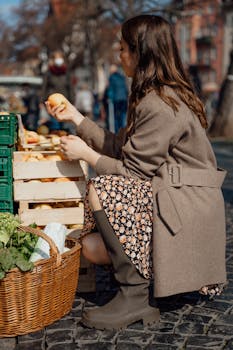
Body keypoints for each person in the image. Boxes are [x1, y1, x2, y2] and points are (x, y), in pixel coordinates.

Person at [46, 15, 227, 330]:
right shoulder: (150, 94)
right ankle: (144, 279)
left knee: (102, 189)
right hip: (169, 199)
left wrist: (86, 154)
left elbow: (131, 173)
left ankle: (136, 296)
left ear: (141, 54)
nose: (119, 55)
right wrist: (76, 117)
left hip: (186, 210)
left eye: (124, 48)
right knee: (90, 246)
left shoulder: (160, 103)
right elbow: (122, 147)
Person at [41, 50, 75, 133]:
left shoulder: (66, 72)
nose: (58, 60)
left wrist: (72, 100)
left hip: (64, 102)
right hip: (52, 103)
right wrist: (42, 101)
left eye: (60, 58)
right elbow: (44, 87)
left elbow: (70, 87)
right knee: (54, 125)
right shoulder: (48, 73)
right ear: (53, 60)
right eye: (56, 58)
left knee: (65, 126)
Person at [104, 64, 128, 133]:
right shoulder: (122, 77)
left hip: (116, 99)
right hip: (123, 99)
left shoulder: (111, 77)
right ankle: (123, 130)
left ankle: (117, 132)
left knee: (115, 117)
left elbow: (110, 89)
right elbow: (125, 88)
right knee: (123, 115)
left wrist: (109, 98)